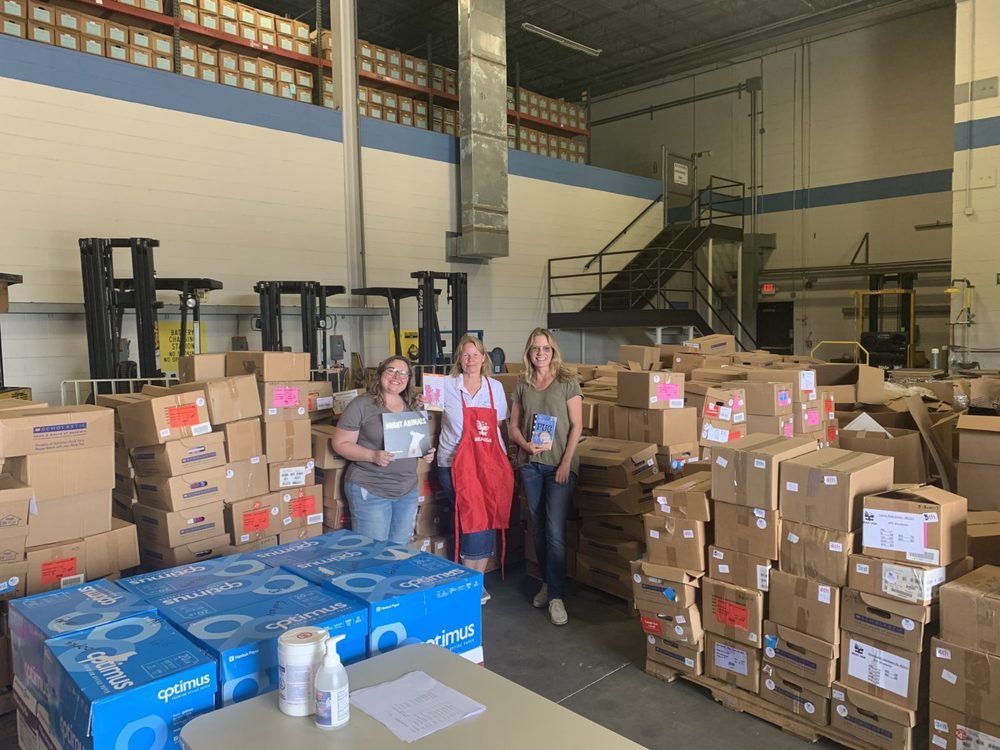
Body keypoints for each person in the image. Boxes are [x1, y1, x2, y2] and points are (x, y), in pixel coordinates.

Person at [509, 328, 583, 626]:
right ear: (529, 352)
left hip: (559, 467)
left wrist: (566, 463)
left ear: (554, 352)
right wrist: (524, 445)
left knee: (553, 530)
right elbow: (513, 426)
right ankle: (547, 582)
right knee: (537, 528)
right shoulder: (523, 384)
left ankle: (556, 596)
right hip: (531, 465)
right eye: (536, 348)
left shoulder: (567, 382)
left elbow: (577, 426)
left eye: (546, 348)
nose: (541, 353)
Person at [436, 335, 514, 605]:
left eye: (475, 354)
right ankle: (471, 581)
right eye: (465, 354)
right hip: (453, 462)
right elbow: (424, 411)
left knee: (488, 514)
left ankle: (474, 580)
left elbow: (499, 426)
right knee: (473, 516)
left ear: (484, 359)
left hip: (488, 464)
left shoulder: (495, 388)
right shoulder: (445, 385)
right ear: (458, 358)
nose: (470, 359)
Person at [333, 356, 435, 545]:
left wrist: (426, 452)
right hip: (372, 489)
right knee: (373, 554)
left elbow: (414, 444)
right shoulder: (361, 405)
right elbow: (340, 443)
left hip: (407, 490)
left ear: (409, 379)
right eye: (391, 370)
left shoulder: (412, 406)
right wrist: (372, 456)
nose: (397, 376)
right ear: (380, 373)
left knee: (399, 551)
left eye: (404, 373)